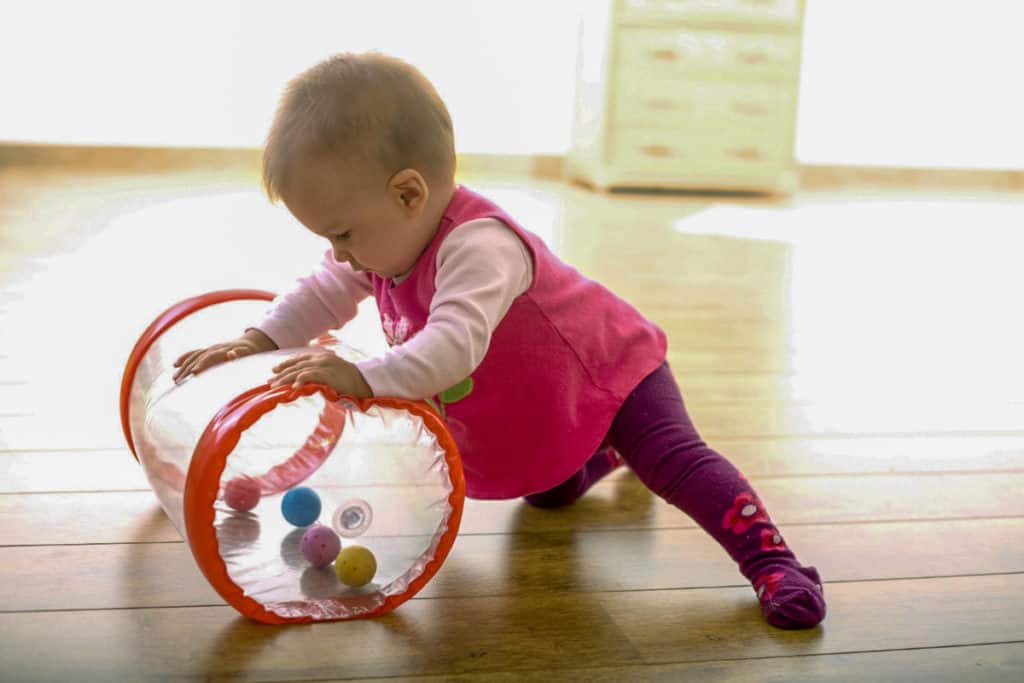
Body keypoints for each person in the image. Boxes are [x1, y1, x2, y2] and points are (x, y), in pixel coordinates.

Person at [173, 52, 826, 629]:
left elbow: (454, 345)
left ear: (408, 193)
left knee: (674, 461)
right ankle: (597, 454)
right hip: (543, 402)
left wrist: (365, 377)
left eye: (342, 233)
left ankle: (773, 561)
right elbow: (322, 289)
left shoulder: (480, 246)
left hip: (611, 373)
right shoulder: (382, 242)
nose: (337, 253)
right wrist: (258, 339)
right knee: (548, 487)